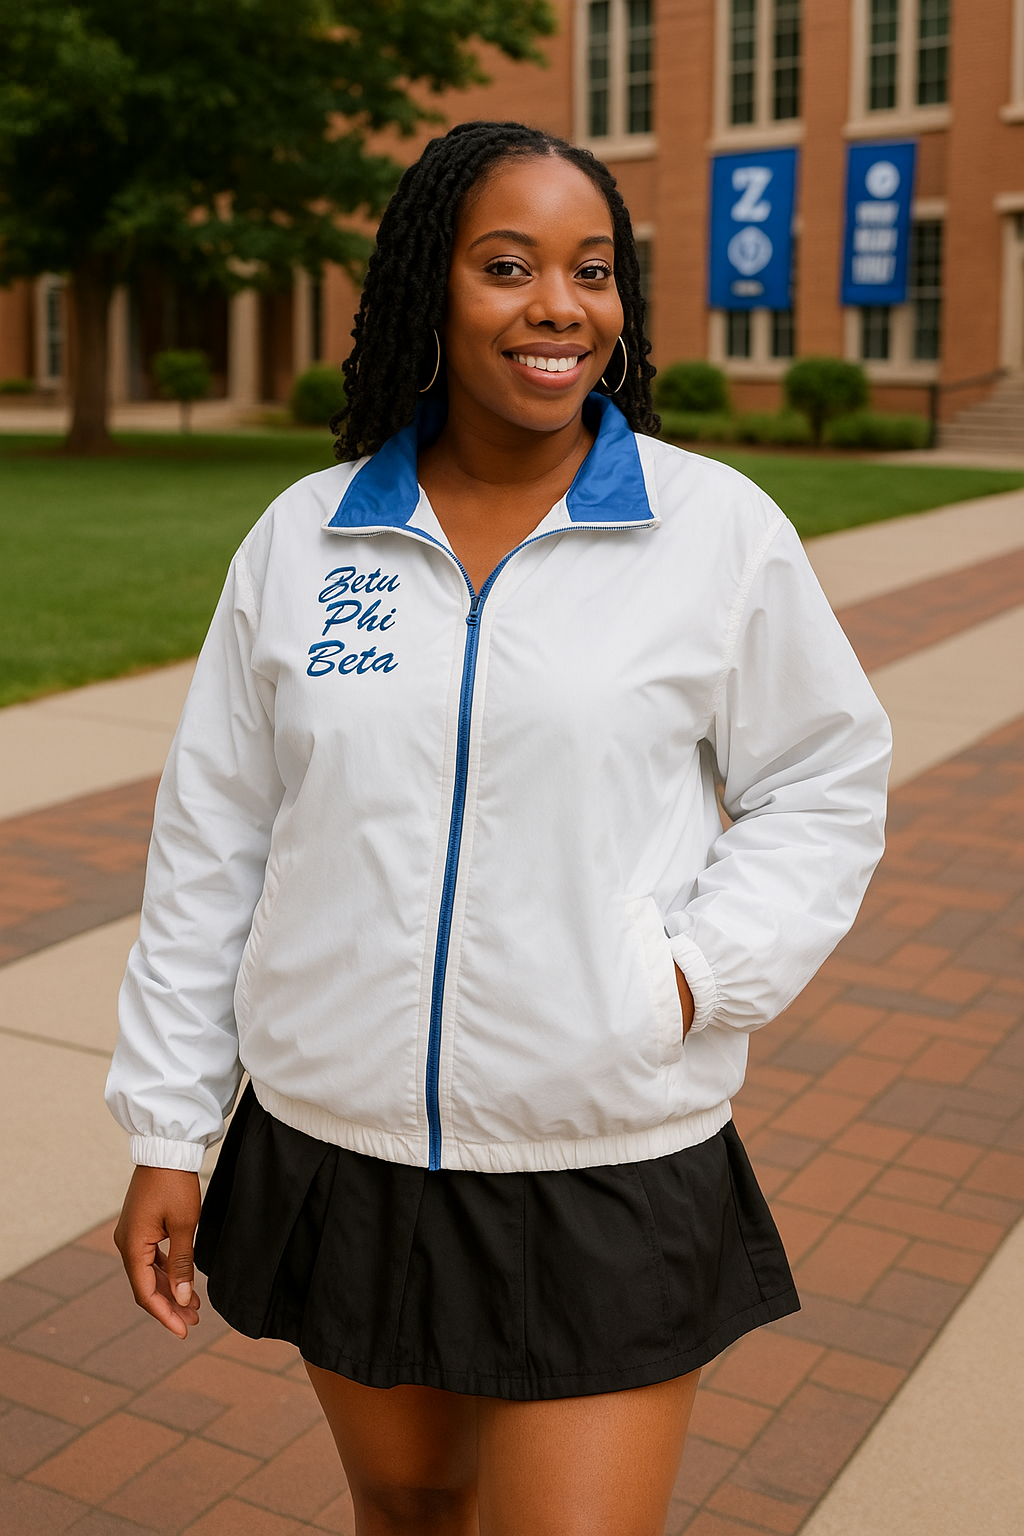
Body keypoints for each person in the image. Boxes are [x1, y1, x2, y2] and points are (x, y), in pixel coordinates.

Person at [106, 121, 891, 1536]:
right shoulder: (305, 540)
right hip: (336, 1139)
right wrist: (169, 1125)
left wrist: (694, 975)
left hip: (601, 1148)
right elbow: (212, 841)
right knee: (408, 1507)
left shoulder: (712, 532)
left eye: (593, 271)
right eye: (508, 265)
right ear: (428, 288)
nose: (559, 306)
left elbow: (826, 778)